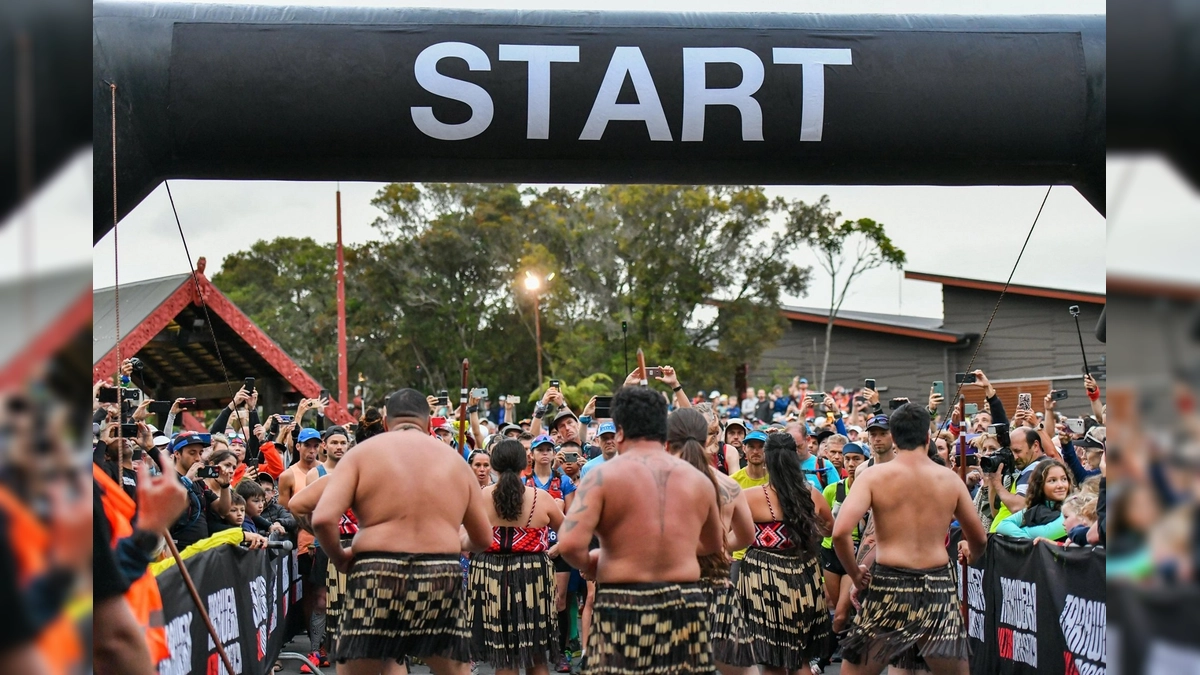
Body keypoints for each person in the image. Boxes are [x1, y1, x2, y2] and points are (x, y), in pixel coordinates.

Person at [313, 388, 492, 675]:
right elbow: (483, 539)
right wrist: (459, 539)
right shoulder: (456, 462)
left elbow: (322, 519)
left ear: (386, 423)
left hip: (375, 571)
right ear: (428, 422)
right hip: (439, 572)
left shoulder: (361, 455)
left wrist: (340, 558)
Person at [558, 385, 724, 674]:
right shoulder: (698, 479)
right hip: (684, 602)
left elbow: (570, 544)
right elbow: (712, 543)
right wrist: (672, 551)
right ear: (664, 429)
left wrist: (590, 564)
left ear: (619, 431)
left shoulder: (601, 476)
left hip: (622, 602)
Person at [834, 404, 987, 675]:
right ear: (927, 437)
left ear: (893, 437)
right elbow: (979, 537)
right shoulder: (949, 480)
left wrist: (855, 574)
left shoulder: (873, 476)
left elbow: (840, 532)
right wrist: (973, 554)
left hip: (889, 584)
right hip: (937, 586)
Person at [667, 408, 756, 675]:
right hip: (715, 585)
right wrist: (720, 545)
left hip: (671, 587)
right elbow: (747, 536)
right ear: (711, 439)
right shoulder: (727, 484)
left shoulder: (657, 481)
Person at [737, 432, 834, 675]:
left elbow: (731, 533)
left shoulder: (749, 497)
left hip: (762, 578)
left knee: (773, 659)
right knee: (800, 658)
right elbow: (830, 528)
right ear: (795, 460)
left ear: (768, 461)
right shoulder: (811, 494)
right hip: (803, 574)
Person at [468, 439, 564, 674]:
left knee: (506, 656)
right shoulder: (541, 498)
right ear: (525, 463)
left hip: (490, 576)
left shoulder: (480, 497)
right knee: (536, 654)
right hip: (533, 577)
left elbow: (466, 537)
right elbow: (572, 533)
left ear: (493, 466)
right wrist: (555, 549)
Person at [821, 442, 869, 648]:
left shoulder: (871, 489)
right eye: (847, 458)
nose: (850, 464)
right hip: (831, 552)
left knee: (840, 614)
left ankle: (821, 658)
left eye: (856, 459)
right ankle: (848, 643)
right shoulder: (833, 489)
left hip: (856, 554)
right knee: (835, 606)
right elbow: (820, 521)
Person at [994, 459, 1075, 541]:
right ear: (1040, 485)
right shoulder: (1033, 509)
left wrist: (1022, 535)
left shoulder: (1074, 508)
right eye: (1053, 480)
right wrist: (1025, 538)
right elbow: (1003, 525)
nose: (1060, 485)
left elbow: (1046, 533)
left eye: (1064, 479)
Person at [728, 430, 770, 581]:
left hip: (770, 554)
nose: (756, 451)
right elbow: (726, 519)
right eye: (751, 446)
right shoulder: (733, 481)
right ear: (744, 449)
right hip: (741, 554)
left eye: (761, 447)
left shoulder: (775, 480)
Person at [787, 420, 839, 490]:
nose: (795, 451)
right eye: (791, 447)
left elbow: (837, 495)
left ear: (808, 439)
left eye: (799, 446)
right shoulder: (782, 464)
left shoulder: (824, 465)